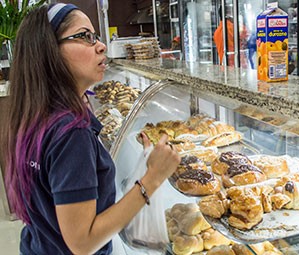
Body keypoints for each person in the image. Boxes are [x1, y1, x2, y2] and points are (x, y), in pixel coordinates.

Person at [3, 3, 180, 255]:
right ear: (49, 51)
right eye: (85, 36)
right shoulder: (71, 134)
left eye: (95, 36)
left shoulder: (36, 112)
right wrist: (153, 178)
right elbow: (82, 242)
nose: (101, 45)